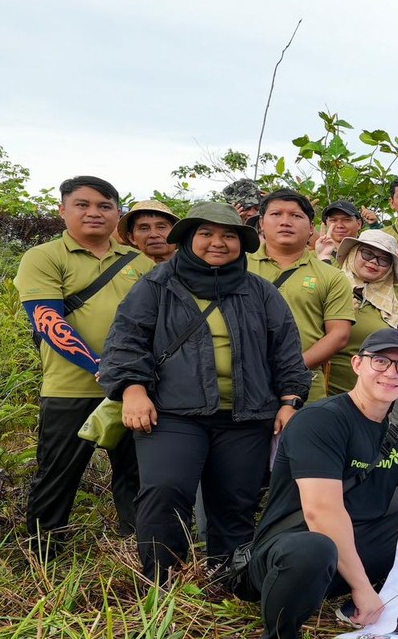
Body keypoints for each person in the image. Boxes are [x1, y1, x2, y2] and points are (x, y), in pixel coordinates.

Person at [97, 202, 310, 583]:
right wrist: (133, 390)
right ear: (187, 239)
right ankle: (162, 582)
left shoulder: (259, 291)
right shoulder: (156, 285)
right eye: (206, 234)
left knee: (236, 500)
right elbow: (127, 341)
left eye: (228, 235)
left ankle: (227, 578)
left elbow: (286, 350)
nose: (218, 243)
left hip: (246, 415)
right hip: (171, 413)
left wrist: (290, 400)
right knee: (164, 492)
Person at [250, 328, 398, 639]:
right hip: (292, 552)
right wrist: (362, 587)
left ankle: (381, 605)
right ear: (357, 364)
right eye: (380, 361)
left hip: (353, 549)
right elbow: (321, 512)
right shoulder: (321, 421)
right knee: (315, 548)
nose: (391, 373)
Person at [15, 174, 149, 552]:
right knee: (58, 474)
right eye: (83, 205)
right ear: (62, 211)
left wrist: (134, 377)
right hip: (69, 387)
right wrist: (99, 367)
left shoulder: (140, 262)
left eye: (105, 206)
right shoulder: (44, 257)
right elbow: (47, 320)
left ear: (118, 214)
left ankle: (138, 552)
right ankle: (43, 555)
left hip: (134, 390)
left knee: (137, 475)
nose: (94, 213)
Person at [251, 189, 356, 399]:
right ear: (261, 223)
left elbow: (338, 335)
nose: (285, 222)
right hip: (243, 386)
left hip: (305, 387)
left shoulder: (332, 276)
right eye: (276, 214)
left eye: (296, 215)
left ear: (311, 228)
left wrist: (291, 369)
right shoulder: (238, 266)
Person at [326, 228, 398, 396]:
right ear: (353, 253)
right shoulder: (330, 289)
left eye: (383, 260)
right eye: (367, 253)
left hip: (377, 398)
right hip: (326, 393)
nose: (374, 262)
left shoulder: (392, 307)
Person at [120, 200, 177, 264]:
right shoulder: (122, 267)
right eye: (144, 228)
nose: (154, 235)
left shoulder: (186, 265)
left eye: (161, 227)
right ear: (132, 238)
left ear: (176, 233)